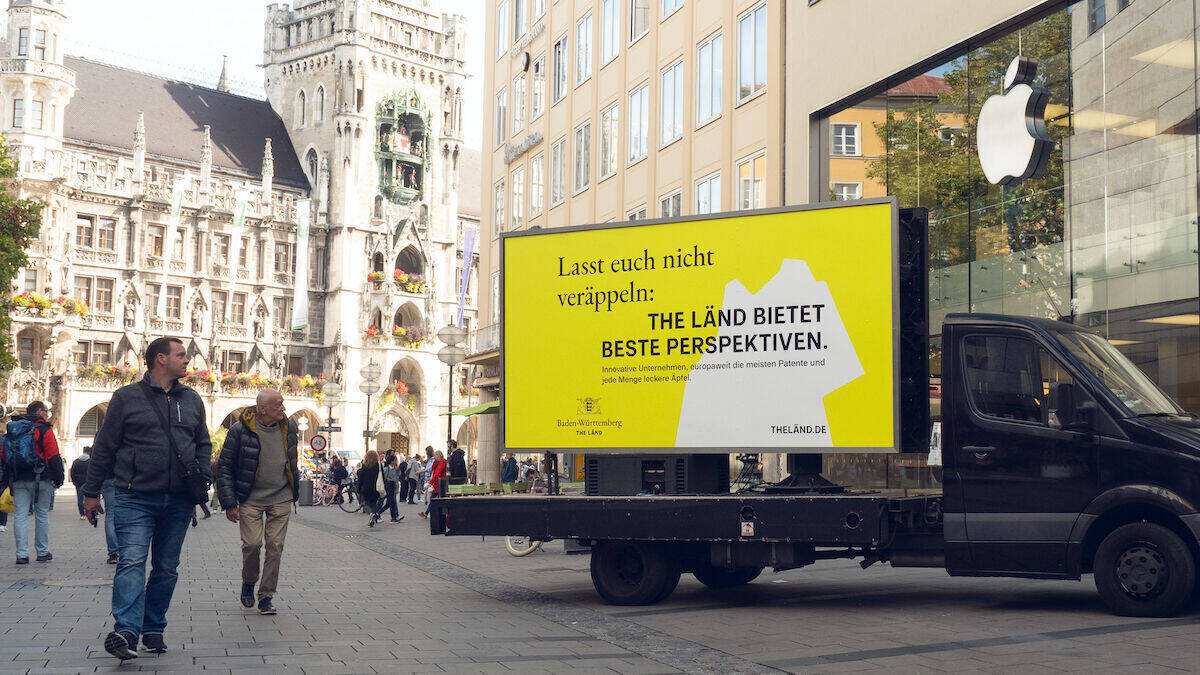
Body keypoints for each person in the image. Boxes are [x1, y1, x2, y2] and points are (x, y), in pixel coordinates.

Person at [82, 337, 212, 661]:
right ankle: (126, 630)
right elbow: (105, 447)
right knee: (132, 561)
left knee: (167, 567)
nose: (187, 361)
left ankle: (153, 627)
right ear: (160, 359)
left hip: (179, 499)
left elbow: (204, 443)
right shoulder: (126, 398)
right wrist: (90, 492)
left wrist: (203, 475)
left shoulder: (193, 399)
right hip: (133, 496)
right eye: (181, 355)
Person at [217, 389, 299, 617]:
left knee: (275, 546)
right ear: (263, 408)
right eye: (278, 405)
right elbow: (224, 466)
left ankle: (266, 596)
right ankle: (248, 582)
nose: (283, 408)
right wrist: (229, 502)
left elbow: (292, 458)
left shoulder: (289, 426)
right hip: (250, 498)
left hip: (281, 496)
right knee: (252, 545)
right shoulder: (240, 430)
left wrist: (295, 485)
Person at [0, 401, 64, 564]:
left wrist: (7, 479)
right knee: (42, 514)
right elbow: (53, 455)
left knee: (20, 515)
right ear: (39, 412)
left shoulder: (14, 429)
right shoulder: (44, 429)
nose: (47, 413)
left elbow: (5, 456)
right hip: (41, 478)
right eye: (45, 411)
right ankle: (42, 552)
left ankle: (21, 554)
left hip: (19, 478)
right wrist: (59, 479)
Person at [418, 450, 446, 520]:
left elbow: (437, 474)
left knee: (433, 499)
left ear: (438, 455)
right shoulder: (439, 462)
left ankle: (428, 513)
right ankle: (427, 513)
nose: (434, 457)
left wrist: (430, 482)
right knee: (433, 499)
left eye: (435, 455)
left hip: (439, 484)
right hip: (437, 484)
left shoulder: (441, 463)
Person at [357, 451, 382, 526]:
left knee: (366, 503)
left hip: (366, 488)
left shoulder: (365, 465)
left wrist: (358, 489)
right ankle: (373, 515)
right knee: (374, 503)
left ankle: (371, 514)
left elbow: (361, 478)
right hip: (376, 488)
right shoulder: (378, 465)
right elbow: (382, 476)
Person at [377, 454, 403, 524]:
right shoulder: (386, 469)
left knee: (390, 503)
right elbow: (383, 478)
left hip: (393, 485)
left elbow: (397, 477)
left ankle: (377, 513)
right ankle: (393, 518)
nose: (396, 461)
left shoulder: (396, 469)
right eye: (395, 460)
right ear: (392, 461)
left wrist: (398, 470)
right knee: (392, 502)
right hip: (388, 485)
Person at [70, 446, 93, 518]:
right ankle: (91, 512)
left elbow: (72, 473)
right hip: (89, 483)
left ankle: (82, 514)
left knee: (80, 499)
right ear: (89, 452)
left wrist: (75, 482)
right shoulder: (91, 461)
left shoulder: (76, 461)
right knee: (90, 498)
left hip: (79, 483)